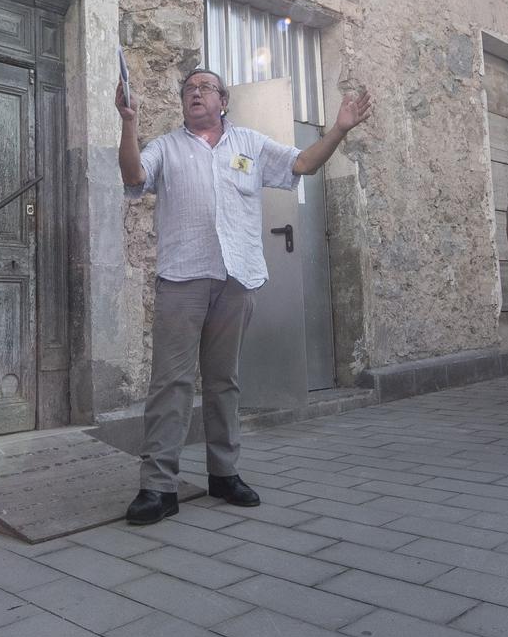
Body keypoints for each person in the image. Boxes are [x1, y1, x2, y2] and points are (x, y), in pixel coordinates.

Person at [116, 67, 373, 525]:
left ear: (223, 101)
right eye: (188, 89)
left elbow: (304, 164)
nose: (195, 93)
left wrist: (337, 129)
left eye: (205, 88)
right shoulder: (167, 147)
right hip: (182, 278)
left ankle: (224, 472)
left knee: (224, 381)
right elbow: (134, 176)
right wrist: (129, 122)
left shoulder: (250, 145)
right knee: (170, 384)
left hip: (236, 278)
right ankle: (158, 486)